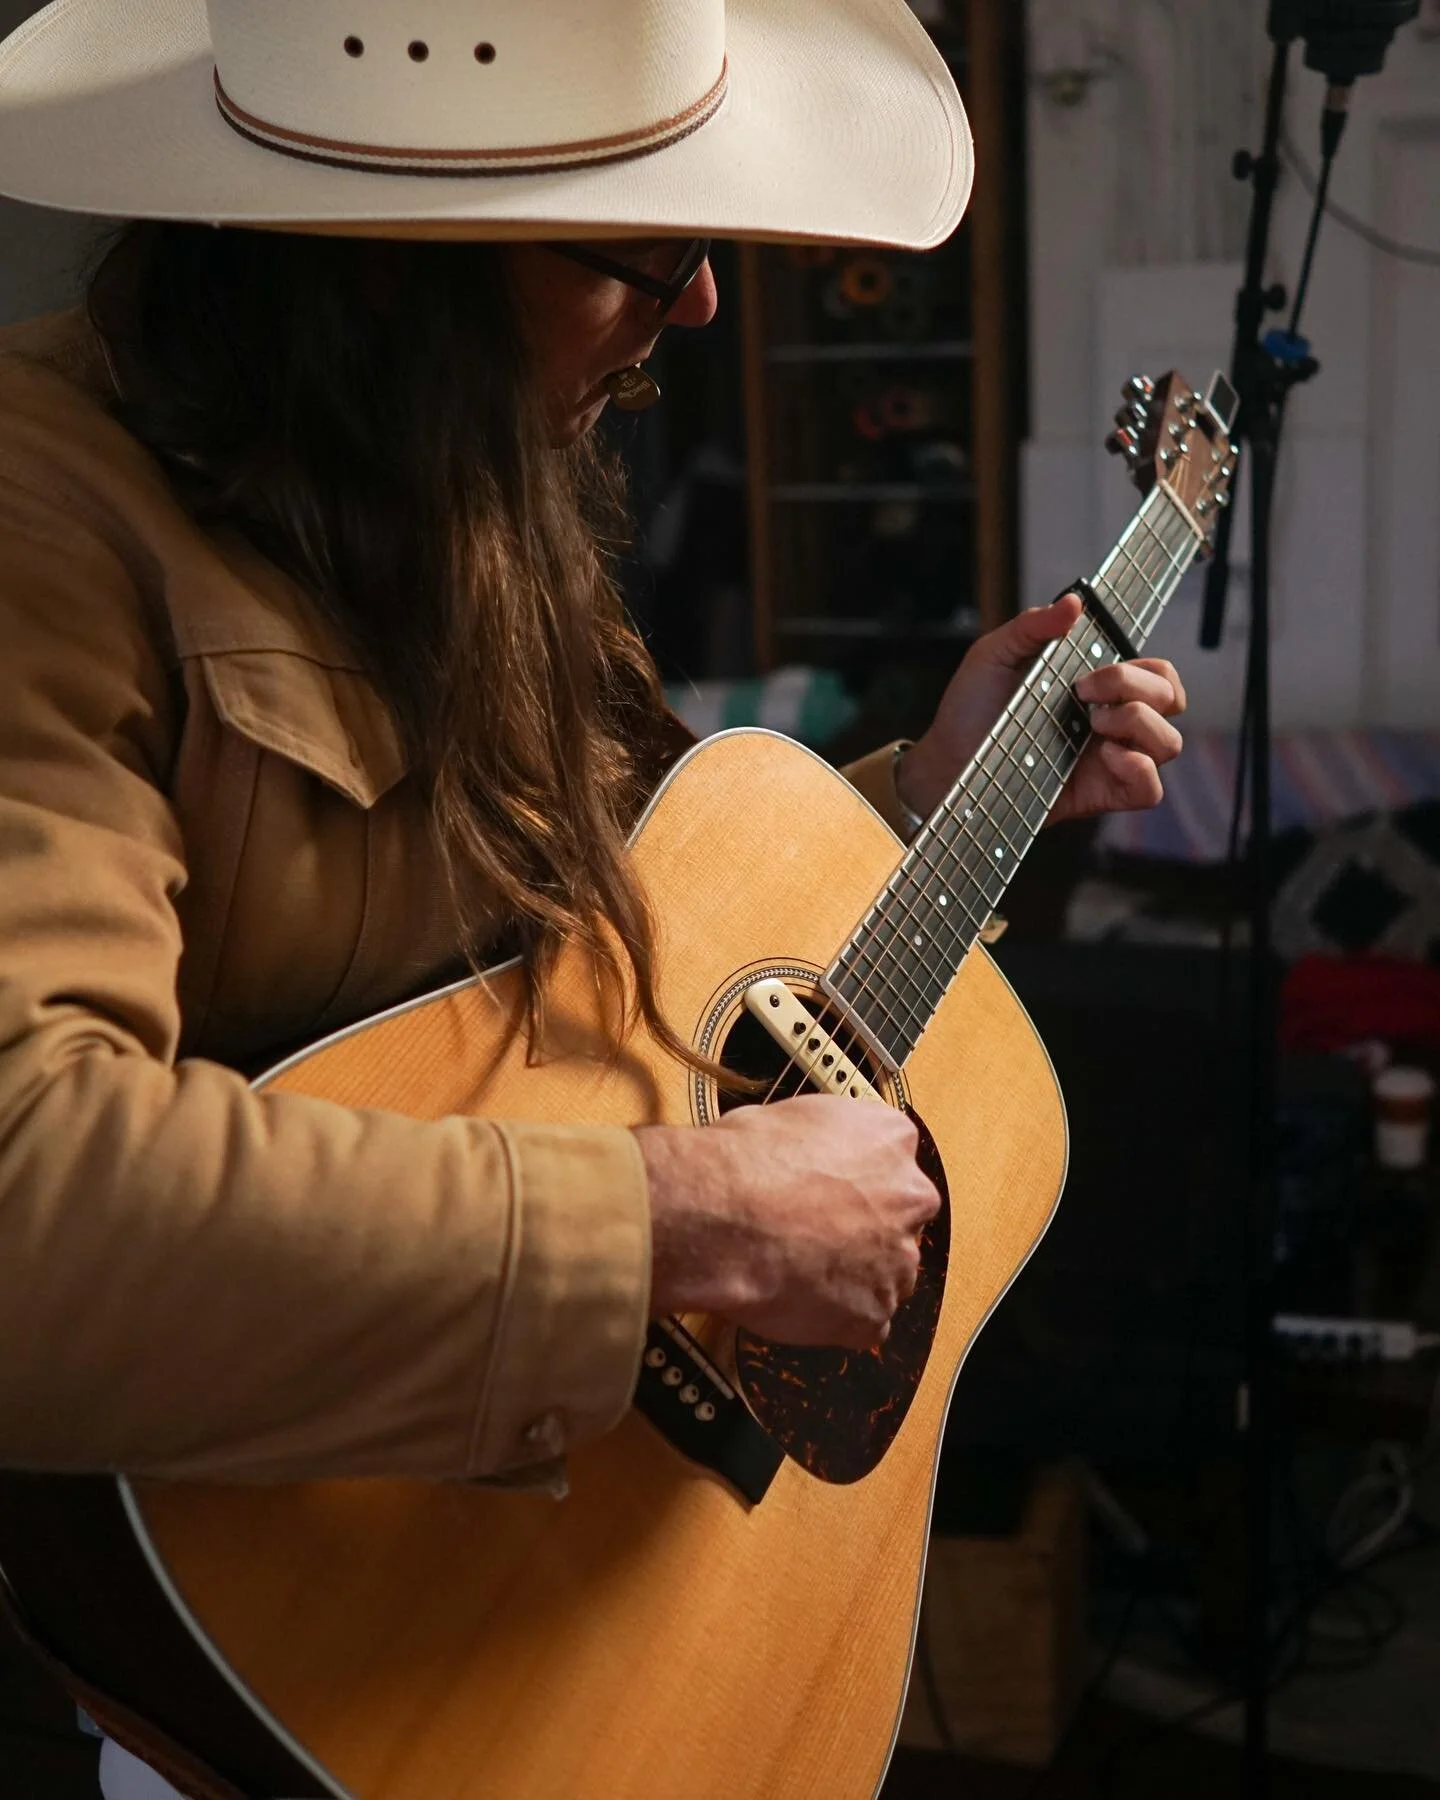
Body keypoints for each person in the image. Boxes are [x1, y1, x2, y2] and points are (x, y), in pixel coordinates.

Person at [0, 2, 1186, 1795]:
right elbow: (31, 1207)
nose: (697, 299)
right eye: (642, 236)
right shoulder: (40, 520)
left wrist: (930, 795)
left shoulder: (448, 479)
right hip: (311, 1636)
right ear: (404, 262)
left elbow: (629, 945)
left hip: (556, 1614)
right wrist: (675, 1222)